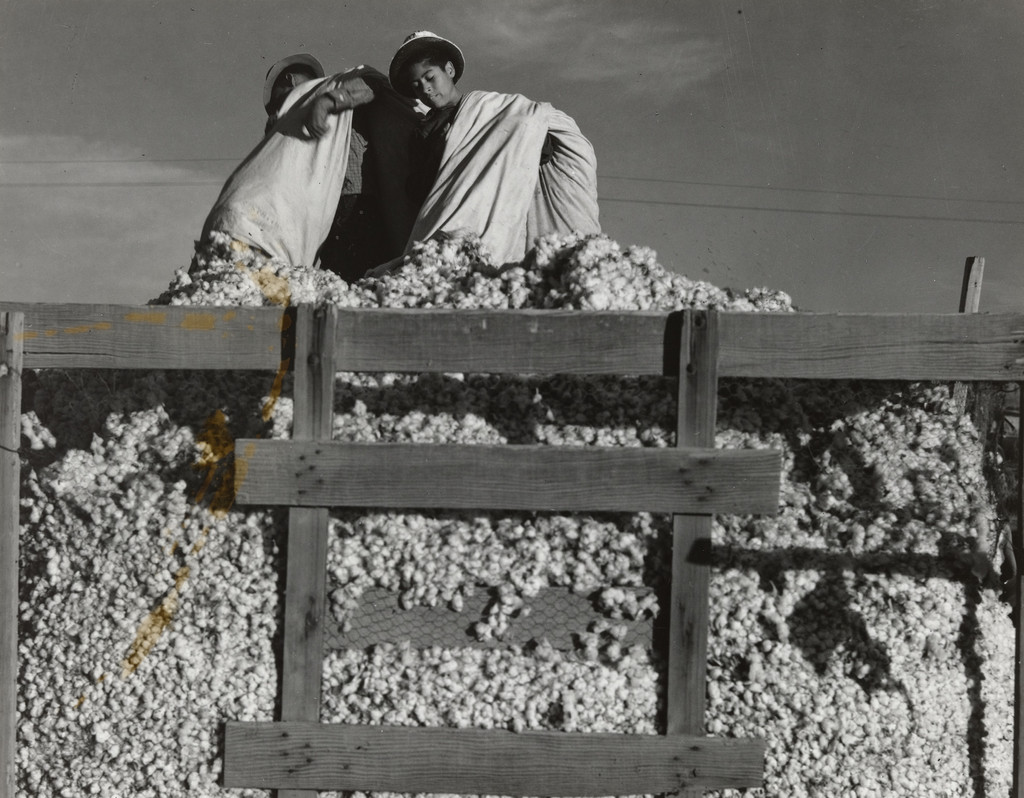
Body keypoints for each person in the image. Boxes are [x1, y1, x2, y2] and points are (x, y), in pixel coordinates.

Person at [372, 30, 601, 274]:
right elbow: (422, 187)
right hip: (452, 225)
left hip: (502, 218)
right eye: (417, 86)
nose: (426, 89)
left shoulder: (491, 112)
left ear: (449, 70)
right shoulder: (424, 132)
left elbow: (537, 144)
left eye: (430, 78)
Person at [194, 60, 421, 277]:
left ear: (290, 80)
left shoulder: (333, 92)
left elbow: (372, 83)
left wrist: (329, 101)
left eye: (279, 99)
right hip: (326, 215)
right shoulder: (295, 118)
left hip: (356, 204)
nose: (279, 108)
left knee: (358, 273)